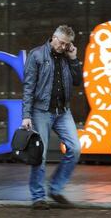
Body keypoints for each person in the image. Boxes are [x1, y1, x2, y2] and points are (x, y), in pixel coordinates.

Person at [22, 25, 82, 210]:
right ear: (53, 38)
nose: (63, 47)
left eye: (67, 45)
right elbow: (28, 87)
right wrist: (26, 115)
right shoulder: (37, 55)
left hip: (63, 112)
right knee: (40, 155)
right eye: (61, 43)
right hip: (42, 111)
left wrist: (74, 59)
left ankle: (55, 189)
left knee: (75, 148)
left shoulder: (67, 57)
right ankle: (38, 197)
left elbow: (78, 81)